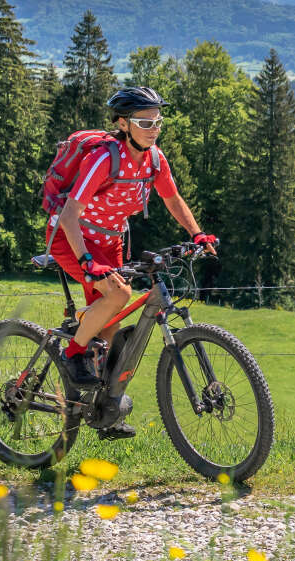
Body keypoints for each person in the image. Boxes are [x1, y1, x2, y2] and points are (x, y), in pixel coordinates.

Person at [47, 86, 217, 438]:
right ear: (123, 124)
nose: (153, 128)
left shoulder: (155, 159)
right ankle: (73, 352)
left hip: (110, 242)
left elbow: (172, 198)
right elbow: (69, 214)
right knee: (119, 296)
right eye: (144, 121)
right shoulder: (104, 159)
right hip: (72, 238)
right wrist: (86, 260)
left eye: (158, 121)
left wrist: (197, 234)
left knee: (112, 327)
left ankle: (105, 408)